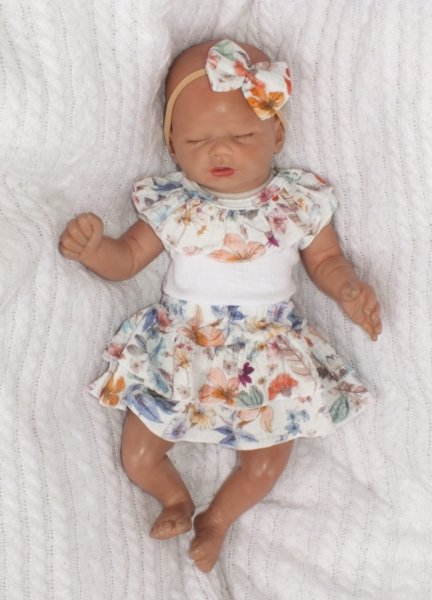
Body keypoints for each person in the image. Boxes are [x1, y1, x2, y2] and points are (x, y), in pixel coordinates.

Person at [59, 39, 382, 572]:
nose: (220, 151)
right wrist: (95, 250)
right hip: (184, 344)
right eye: (197, 140)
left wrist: (348, 288)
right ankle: (175, 498)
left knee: (267, 462)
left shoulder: (297, 201)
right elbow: (127, 259)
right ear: (172, 146)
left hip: (268, 353)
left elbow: (326, 260)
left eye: (242, 135)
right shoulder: (174, 203)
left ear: (277, 135)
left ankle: (217, 521)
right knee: (138, 454)